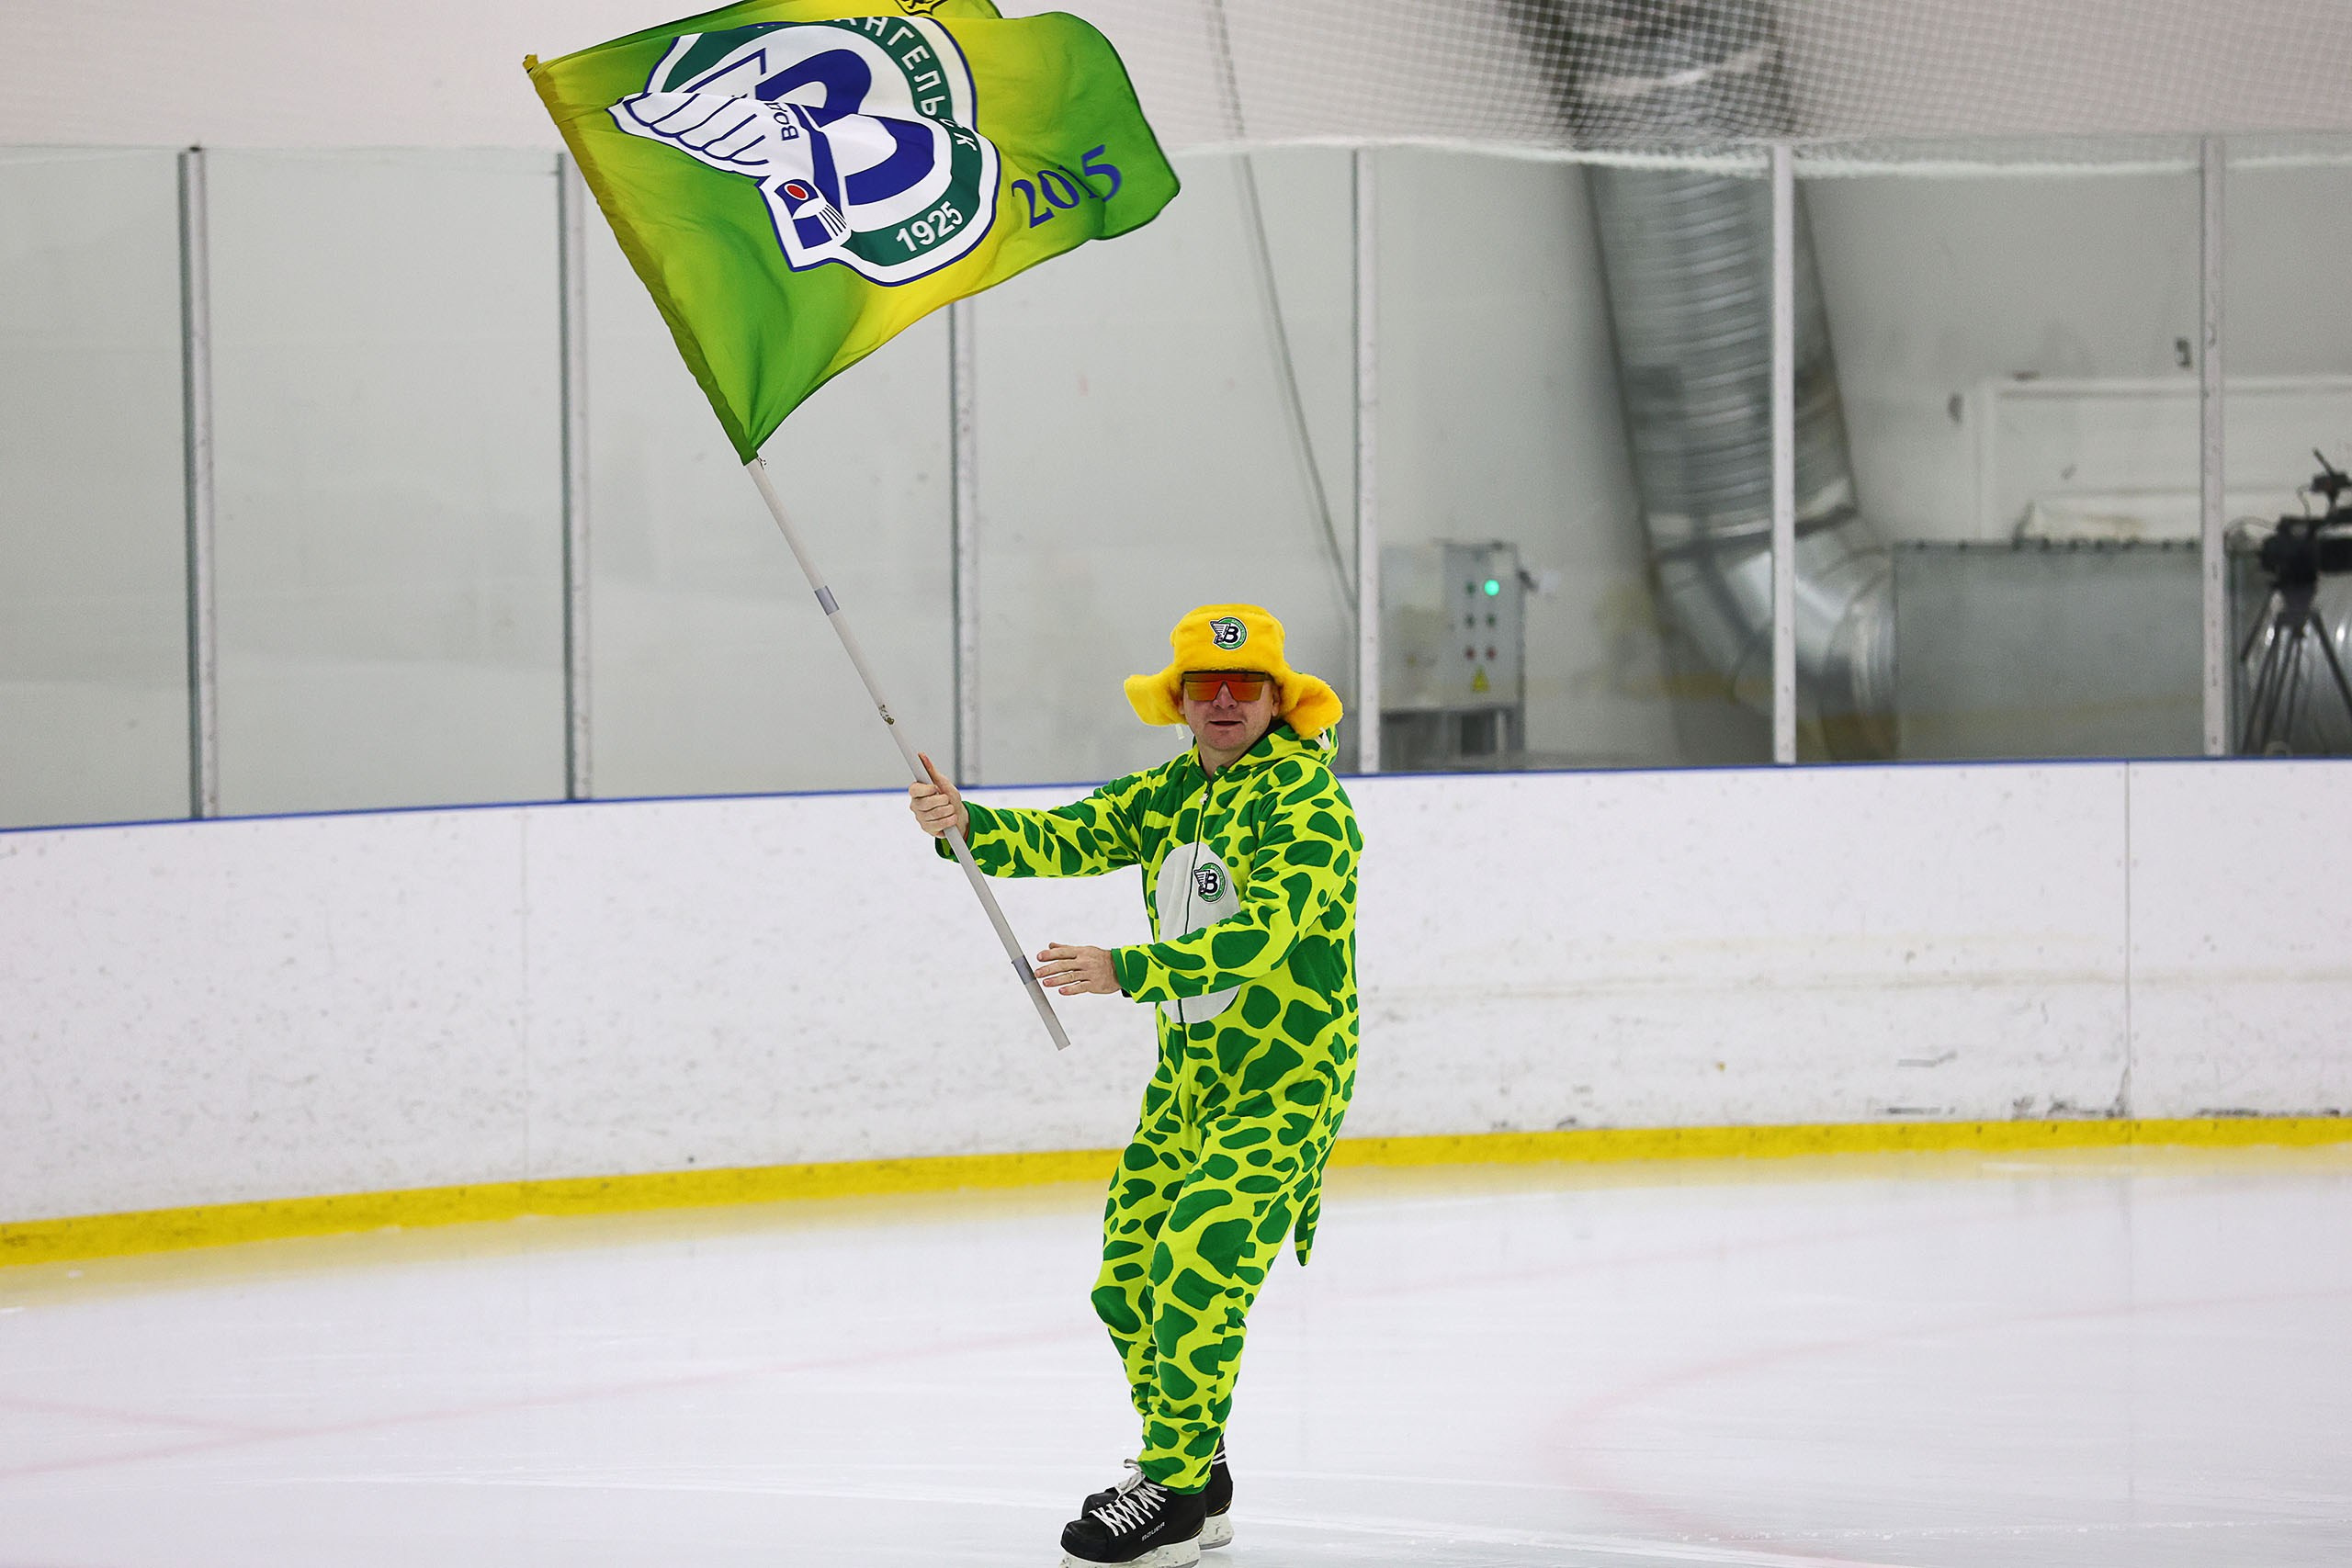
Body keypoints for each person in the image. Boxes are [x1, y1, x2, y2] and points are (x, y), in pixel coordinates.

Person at [908, 604, 1362, 1568]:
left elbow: (1263, 936)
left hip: (1286, 1087)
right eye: (1207, 685)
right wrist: (965, 827)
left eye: (1247, 686)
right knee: (1128, 1281)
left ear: (1281, 701)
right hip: (1189, 1086)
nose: (1227, 700)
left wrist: (1128, 969)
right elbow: (1067, 837)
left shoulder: (1308, 808)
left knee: (1194, 1263)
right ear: (1183, 704)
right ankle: (1196, 1462)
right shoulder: (1169, 792)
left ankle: (1172, 1492)